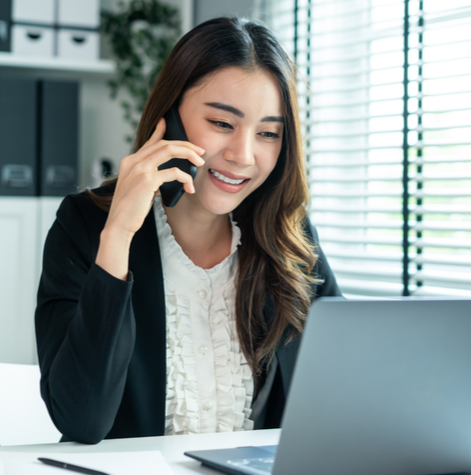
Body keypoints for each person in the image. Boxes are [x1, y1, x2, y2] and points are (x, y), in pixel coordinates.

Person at [35, 17, 341, 445]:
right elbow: (82, 420)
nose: (243, 155)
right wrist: (119, 232)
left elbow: (344, 395)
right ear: (169, 117)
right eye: (221, 123)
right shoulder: (84, 224)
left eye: (268, 133)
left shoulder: (289, 236)